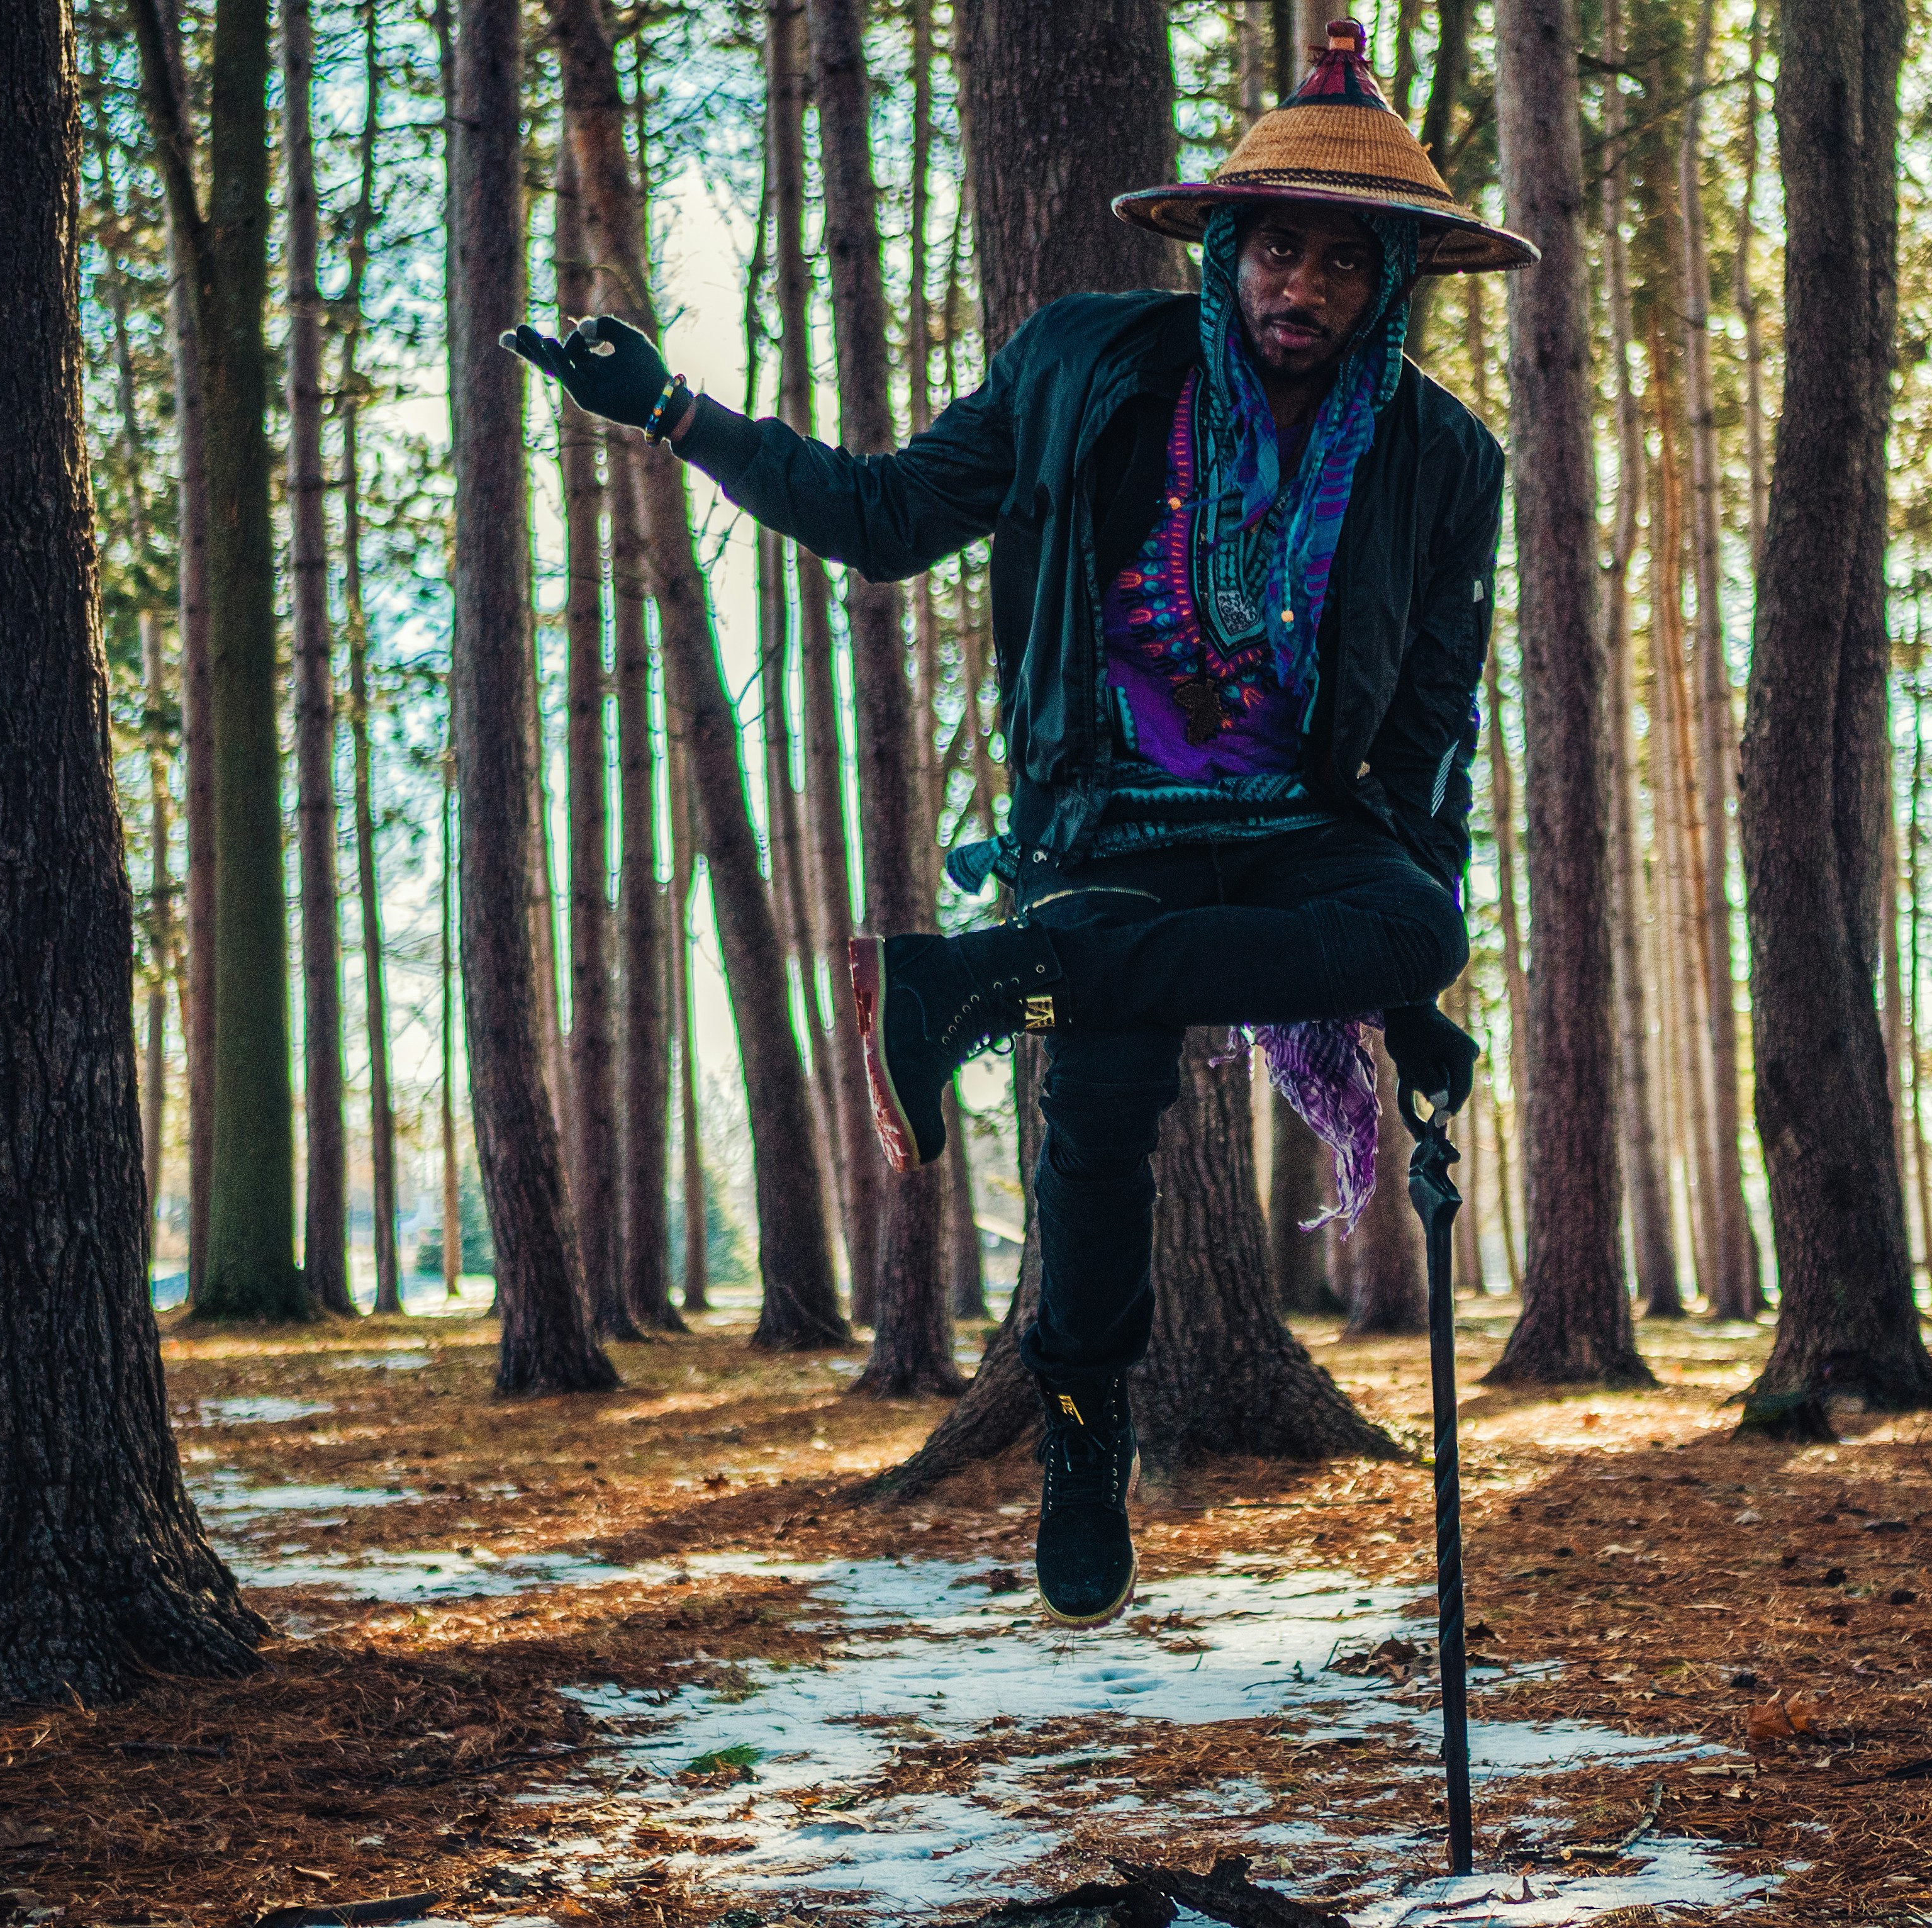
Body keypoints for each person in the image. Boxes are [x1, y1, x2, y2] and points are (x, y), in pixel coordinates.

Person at [506, 19, 1533, 1627]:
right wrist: (680, 415)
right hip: (1108, 823)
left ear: (1390, 278)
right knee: (1099, 1134)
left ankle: (986, 983)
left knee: (1419, 920)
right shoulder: (1083, 365)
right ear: (1226, 246)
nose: (1303, 289)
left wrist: (1408, 995)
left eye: (1344, 262)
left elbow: (1428, 731)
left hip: (1297, 829)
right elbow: (886, 515)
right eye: (1278, 248)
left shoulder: (1443, 456)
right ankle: (1083, 1427)